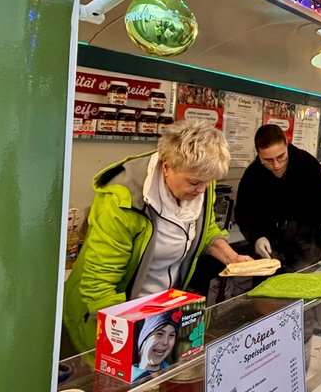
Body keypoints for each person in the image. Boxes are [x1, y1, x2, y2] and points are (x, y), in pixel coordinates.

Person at [63, 120, 252, 354]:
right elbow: (99, 284)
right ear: (167, 167)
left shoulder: (201, 183)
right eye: (194, 182)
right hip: (105, 314)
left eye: (208, 182)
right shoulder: (122, 199)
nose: (202, 190)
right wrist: (126, 343)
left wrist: (232, 258)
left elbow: (206, 229)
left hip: (160, 311)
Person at [235, 125, 321, 272]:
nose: (276, 165)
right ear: (258, 153)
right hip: (269, 251)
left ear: (286, 144)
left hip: (307, 246)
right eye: (268, 160)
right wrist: (256, 238)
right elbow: (243, 214)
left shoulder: (307, 164)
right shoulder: (252, 175)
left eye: (281, 157)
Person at [131, 311, 179, 381]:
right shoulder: (130, 377)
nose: (165, 342)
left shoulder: (172, 372)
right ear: (144, 338)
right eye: (159, 334)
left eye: (171, 335)